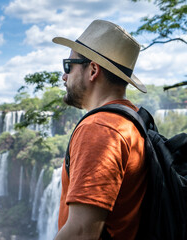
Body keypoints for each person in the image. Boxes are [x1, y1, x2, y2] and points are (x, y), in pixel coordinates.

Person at [52, 20, 148, 240]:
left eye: (68, 66)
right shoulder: (132, 120)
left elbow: (81, 233)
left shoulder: (99, 129)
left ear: (93, 69)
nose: (64, 76)